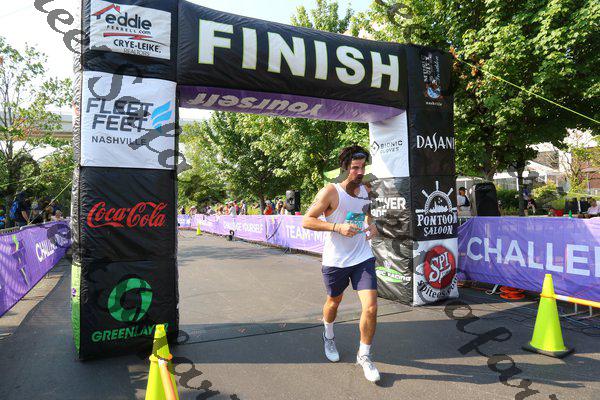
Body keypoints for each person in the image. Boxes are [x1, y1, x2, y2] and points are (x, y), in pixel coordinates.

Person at [302, 145, 380, 383]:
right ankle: (328, 334)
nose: (360, 172)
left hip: (362, 257)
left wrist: (372, 224)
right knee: (334, 302)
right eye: (355, 167)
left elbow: (368, 212)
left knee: (371, 307)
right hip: (336, 260)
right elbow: (307, 220)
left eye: (363, 167)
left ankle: (364, 355)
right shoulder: (330, 191)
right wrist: (337, 227)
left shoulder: (366, 189)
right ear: (344, 168)